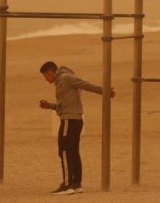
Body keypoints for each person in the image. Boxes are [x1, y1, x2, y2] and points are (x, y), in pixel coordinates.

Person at [39, 61, 115, 195]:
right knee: (72, 151)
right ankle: (76, 184)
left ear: (50, 73)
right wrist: (49, 106)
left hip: (70, 120)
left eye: (45, 77)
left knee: (64, 151)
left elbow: (86, 84)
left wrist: (105, 91)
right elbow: (62, 106)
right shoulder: (62, 81)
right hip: (72, 119)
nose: (46, 80)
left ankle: (68, 184)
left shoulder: (65, 78)